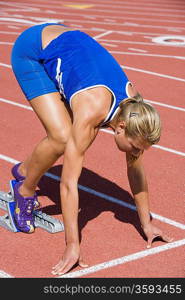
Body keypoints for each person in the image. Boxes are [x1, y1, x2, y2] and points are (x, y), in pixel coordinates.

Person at [10, 23, 173, 275]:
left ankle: (26, 169)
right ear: (119, 127)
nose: (136, 153)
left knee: (65, 134)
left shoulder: (135, 110)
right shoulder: (91, 112)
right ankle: (24, 190)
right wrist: (72, 245)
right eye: (135, 148)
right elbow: (68, 183)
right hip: (32, 51)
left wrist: (147, 223)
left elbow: (135, 170)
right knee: (62, 137)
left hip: (69, 44)